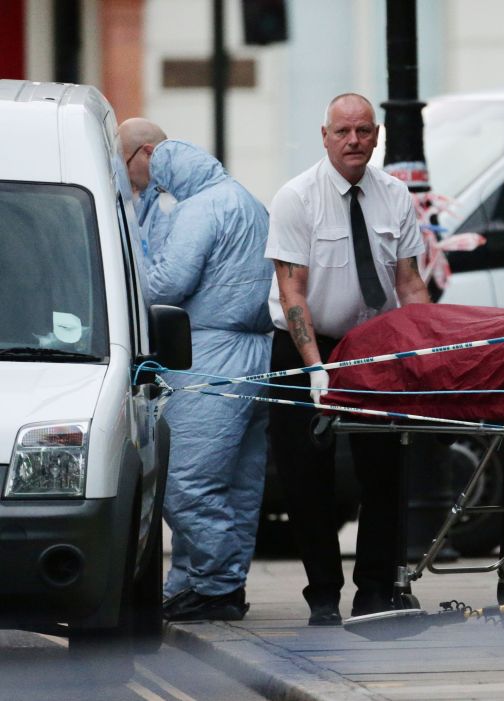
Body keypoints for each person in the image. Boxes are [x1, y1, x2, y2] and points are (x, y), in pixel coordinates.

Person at [265, 93, 430, 626]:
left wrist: (427, 352)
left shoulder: (395, 196)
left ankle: (375, 593)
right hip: (304, 344)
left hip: (373, 345)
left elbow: (409, 282)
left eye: (363, 131)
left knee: (384, 470)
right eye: (343, 132)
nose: (354, 141)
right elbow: (293, 293)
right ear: (325, 136)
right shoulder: (297, 197)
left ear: (377, 135)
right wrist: (316, 367)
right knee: (305, 477)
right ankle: (322, 596)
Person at [141, 139, 274, 621]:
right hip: (259, 353)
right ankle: (205, 584)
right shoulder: (247, 200)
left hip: (210, 355)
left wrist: (138, 266)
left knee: (185, 481)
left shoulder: (200, 208)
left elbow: (167, 284)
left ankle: (216, 585)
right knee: (238, 484)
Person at [118, 118, 176, 257]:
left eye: (125, 164)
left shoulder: (169, 204)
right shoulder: (147, 200)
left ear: (148, 153)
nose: (124, 176)